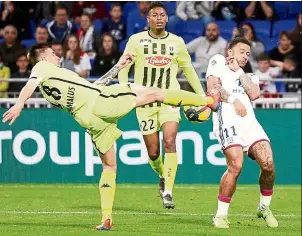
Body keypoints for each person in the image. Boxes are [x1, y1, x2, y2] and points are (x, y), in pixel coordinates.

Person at [2, 43, 215, 231]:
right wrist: (20, 104)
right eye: (53, 53)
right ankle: (205, 100)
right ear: (43, 57)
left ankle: (106, 219)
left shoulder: (53, 84)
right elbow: (29, 84)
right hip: (102, 102)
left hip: (89, 120)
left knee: (109, 167)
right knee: (156, 93)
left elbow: (94, 85)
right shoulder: (41, 68)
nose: (58, 56)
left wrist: (119, 66)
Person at [118, 2, 207, 209]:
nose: (159, 18)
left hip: (170, 98)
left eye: (162, 15)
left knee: (170, 141)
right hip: (144, 101)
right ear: (147, 19)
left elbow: (189, 69)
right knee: (153, 152)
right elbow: (124, 66)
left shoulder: (177, 42)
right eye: (155, 15)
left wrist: (201, 96)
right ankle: (161, 174)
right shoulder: (136, 41)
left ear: (167, 19)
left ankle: (168, 190)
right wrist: (124, 88)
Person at [206, 37, 278, 228]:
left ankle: (264, 207)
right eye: (241, 51)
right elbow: (213, 89)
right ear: (230, 52)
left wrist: (239, 71)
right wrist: (232, 100)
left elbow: (254, 94)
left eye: (248, 53)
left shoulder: (248, 75)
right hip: (227, 122)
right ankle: (220, 216)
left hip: (250, 125)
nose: (246, 56)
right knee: (236, 166)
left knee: (268, 164)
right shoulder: (217, 63)